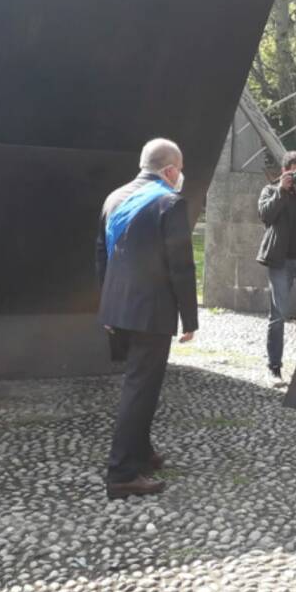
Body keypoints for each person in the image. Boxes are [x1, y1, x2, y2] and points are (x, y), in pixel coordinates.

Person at [96, 138, 198, 500]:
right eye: (179, 169)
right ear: (170, 170)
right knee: (140, 388)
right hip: (151, 312)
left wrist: (106, 307)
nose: (180, 176)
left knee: (143, 385)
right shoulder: (169, 202)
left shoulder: (114, 198)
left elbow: (102, 257)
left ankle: (141, 452)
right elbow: (180, 267)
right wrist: (190, 318)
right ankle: (122, 472)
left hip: (118, 309)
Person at [257, 151, 296, 382]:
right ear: (284, 171)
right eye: (295, 171)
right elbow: (265, 216)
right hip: (280, 261)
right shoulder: (270, 191)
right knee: (278, 314)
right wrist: (281, 191)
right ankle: (274, 367)